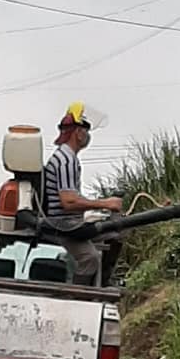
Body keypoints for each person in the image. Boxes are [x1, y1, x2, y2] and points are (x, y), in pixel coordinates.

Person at [43, 103, 123, 286]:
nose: (88, 135)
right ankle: (77, 295)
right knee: (90, 258)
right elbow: (69, 202)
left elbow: (73, 197)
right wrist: (106, 204)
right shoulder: (66, 160)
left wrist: (98, 209)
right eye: (86, 130)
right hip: (64, 225)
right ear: (78, 132)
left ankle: (103, 281)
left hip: (69, 221)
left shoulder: (66, 157)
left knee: (114, 234)